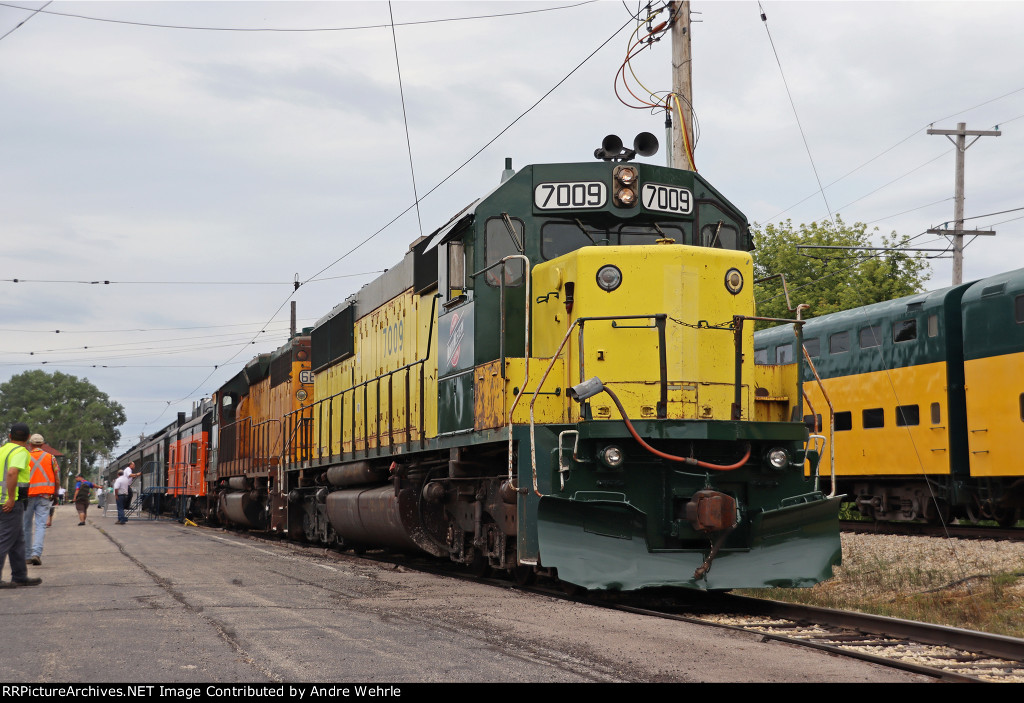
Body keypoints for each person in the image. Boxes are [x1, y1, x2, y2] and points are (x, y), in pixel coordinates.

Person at [0, 422, 42, 587]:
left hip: (4, 500)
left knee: (18, 540)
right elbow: (12, 472)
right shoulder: (21, 452)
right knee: (4, 540)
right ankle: (17, 576)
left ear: (10, 436)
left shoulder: (2, 450)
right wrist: (11, 498)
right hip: (11, 501)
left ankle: (19, 575)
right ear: (28, 438)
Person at [24, 434, 58, 565]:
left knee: (26, 526)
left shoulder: (25, 457)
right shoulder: (51, 458)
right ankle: (36, 553)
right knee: (40, 525)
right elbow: (56, 478)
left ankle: (27, 556)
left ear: (30, 444)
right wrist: (55, 494)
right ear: (43, 445)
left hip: (27, 495)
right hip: (45, 496)